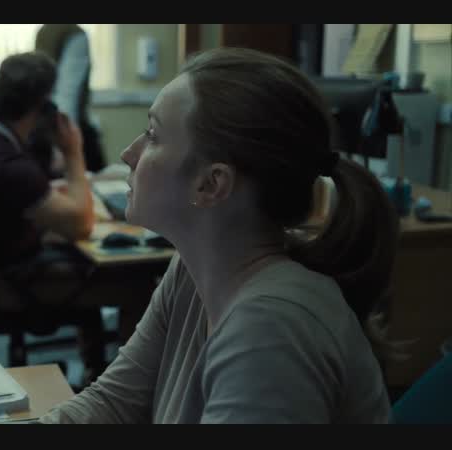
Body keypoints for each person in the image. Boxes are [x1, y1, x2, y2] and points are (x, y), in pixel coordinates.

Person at [40, 47, 404, 423]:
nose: (128, 153)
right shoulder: (192, 273)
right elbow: (111, 402)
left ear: (211, 184)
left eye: (153, 135)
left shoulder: (270, 330)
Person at [0, 52, 131, 385]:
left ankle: (94, 373)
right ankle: (126, 390)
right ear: (42, 106)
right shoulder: (8, 165)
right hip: (4, 284)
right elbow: (81, 224)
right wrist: (73, 152)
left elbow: (15, 200)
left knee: (83, 254)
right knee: (132, 279)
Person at [33, 24, 106, 175]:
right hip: (64, 130)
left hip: (44, 128)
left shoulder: (45, 32)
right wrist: (65, 145)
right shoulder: (74, 34)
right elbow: (68, 92)